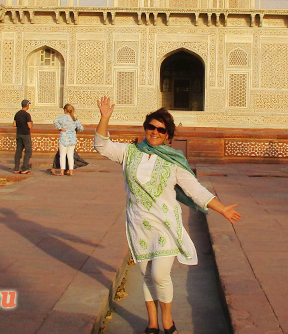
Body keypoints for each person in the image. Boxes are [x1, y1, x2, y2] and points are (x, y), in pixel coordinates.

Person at [94, 96, 241, 334]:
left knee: (160, 274)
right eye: (150, 127)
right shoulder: (130, 153)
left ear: (167, 136)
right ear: (145, 129)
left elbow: (194, 189)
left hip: (166, 225)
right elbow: (102, 145)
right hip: (139, 224)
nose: (154, 132)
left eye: (160, 129)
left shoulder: (173, 162)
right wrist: (104, 118)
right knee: (146, 276)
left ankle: (168, 322)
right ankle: (152, 323)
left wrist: (221, 208)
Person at [52, 103, 84, 176]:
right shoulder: (74, 119)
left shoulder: (62, 117)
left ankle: (62, 171)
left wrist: (60, 128)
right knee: (70, 155)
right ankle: (71, 171)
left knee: (62, 155)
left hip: (63, 138)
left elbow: (55, 121)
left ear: (65, 110)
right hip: (72, 139)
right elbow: (81, 128)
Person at [13, 99, 33, 174]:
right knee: (28, 151)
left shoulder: (17, 114)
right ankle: (24, 168)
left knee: (18, 151)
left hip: (19, 134)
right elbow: (29, 126)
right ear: (27, 105)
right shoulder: (27, 115)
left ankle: (16, 168)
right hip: (26, 134)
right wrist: (31, 123)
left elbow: (14, 124)